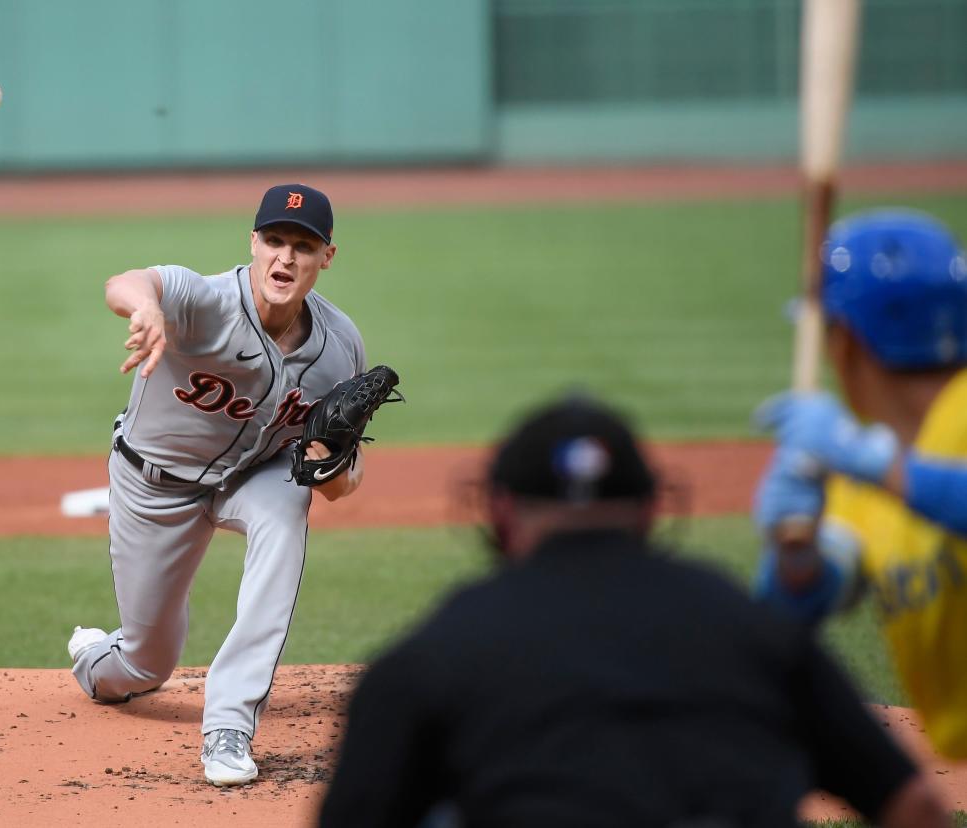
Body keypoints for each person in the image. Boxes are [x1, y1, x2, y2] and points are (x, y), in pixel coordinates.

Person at [320, 395, 947, 828]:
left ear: (502, 515)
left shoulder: (435, 652)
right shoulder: (747, 624)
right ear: (650, 509)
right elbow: (915, 806)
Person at [68, 183, 368, 787]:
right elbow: (126, 283)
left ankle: (228, 724)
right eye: (275, 241)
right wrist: (145, 309)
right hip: (155, 486)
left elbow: (344, 482)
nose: (285, 259)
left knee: (288, 507)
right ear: (253, 243)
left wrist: (332, 464)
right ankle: (97, 659)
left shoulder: (341, 349)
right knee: (146, 664)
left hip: (254, 477)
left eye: (302, 247)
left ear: (326, 257)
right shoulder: (202, 301)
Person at [753, 208, 967, 760]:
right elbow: (792, 613)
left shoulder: (882, 458)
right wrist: (792, 555)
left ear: (843, 344)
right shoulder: (864, 475)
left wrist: (877, 465)